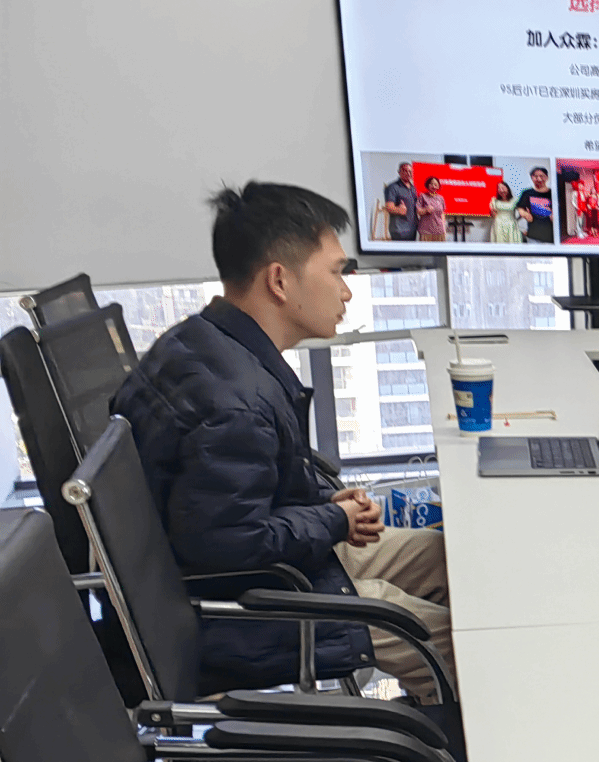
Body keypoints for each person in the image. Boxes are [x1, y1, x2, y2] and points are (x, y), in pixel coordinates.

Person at [109, 182, 457, 702]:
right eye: (337, 272)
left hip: (263, 573)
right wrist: (333, 520)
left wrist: (326, 504)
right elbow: (227, 544)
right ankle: (441, 738)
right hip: (241, 610)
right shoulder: (236, 403)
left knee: (447, 558)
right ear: (279, 280)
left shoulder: (201, 341)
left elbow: (240, 490)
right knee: (455, 642)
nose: (346, 292)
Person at [516, 166, 554, 244]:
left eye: (541, 176)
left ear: (547, 177)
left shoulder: (553, 193)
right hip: (533, 235)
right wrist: (524, 214)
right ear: (532, 178)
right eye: (536, 176)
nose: (539, 179)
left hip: (551, 236)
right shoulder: (527, 193)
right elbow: (520, 208)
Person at [381, 161, 417, 243]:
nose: (408, 173)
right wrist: (399, 210)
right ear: (399, 172)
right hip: (399, 230)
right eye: (405, 171)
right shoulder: (393, 187)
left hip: (412, 229)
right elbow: (389, 207)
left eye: (410, 171)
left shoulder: (413, 188)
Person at [415, 177, 447, 243]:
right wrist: (425, 210)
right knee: (426, 249)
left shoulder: (441, 198)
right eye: (431, 184)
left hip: (439, 231)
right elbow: (418, 211)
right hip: (426, 231)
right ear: (428, 185)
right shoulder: (422, 196)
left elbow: (442, 214)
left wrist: (444, 228)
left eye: (435, 184)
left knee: (440, 249)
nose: (433, 186)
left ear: (438, 186)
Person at [489, 180, 519, 245]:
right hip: (498, 225)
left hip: (511, 225)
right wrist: (492, 211)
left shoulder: (514, 200)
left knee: (512, 245)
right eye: (499, 189)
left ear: (507, 189)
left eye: (503, 188)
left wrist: (517, 219)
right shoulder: (495, 201)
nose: (501, 190)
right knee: (499, 245)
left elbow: (522, 211)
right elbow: (493, 215)